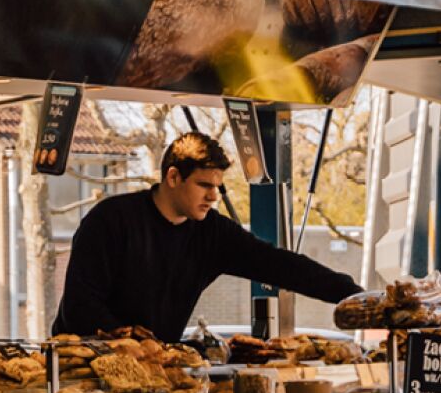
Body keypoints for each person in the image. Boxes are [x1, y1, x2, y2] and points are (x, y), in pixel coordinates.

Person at [52, 132, 363, 341]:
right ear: (173, 177)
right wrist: (137, 348)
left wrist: (354, 297)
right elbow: (80, 308)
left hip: (155, 372)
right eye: (204, 185)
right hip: (81, 369)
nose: (214, 196)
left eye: (218, 186)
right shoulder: (111, 221)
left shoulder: (211, 232)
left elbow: (280, 265)